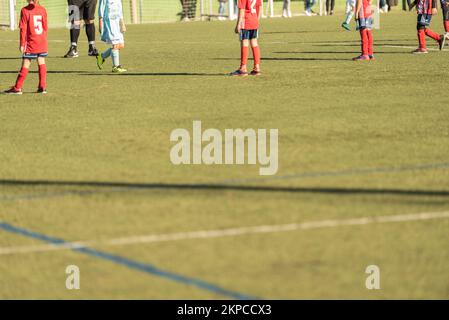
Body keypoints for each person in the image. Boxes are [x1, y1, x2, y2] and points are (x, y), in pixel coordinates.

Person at [4, 0, 47, 95]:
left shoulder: (25, 10)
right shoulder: (43, 10)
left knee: (26, 63)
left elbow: (23, 29)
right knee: (41, 61)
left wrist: (22, 44)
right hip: (42, 40)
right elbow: (45, 27)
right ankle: (42, 87)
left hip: (32, 42)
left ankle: (17, 87)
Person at [231, 0, 262, 76]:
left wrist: (238, 24)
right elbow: (259, 7)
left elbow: (242, 9)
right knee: (254, 42)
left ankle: (243, 68)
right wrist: (256, 20)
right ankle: (257, 68)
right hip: (254, 20)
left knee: (244, 42)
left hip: (246, 21)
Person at [96, 0, 127, 73]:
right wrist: (101, 25)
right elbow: (101, 11)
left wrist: (122, 23)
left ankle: (101, 57)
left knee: (121, 45)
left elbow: (120, 11)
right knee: (115, 44)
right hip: (109, 23)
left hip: (117, 23)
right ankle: (116, 67)